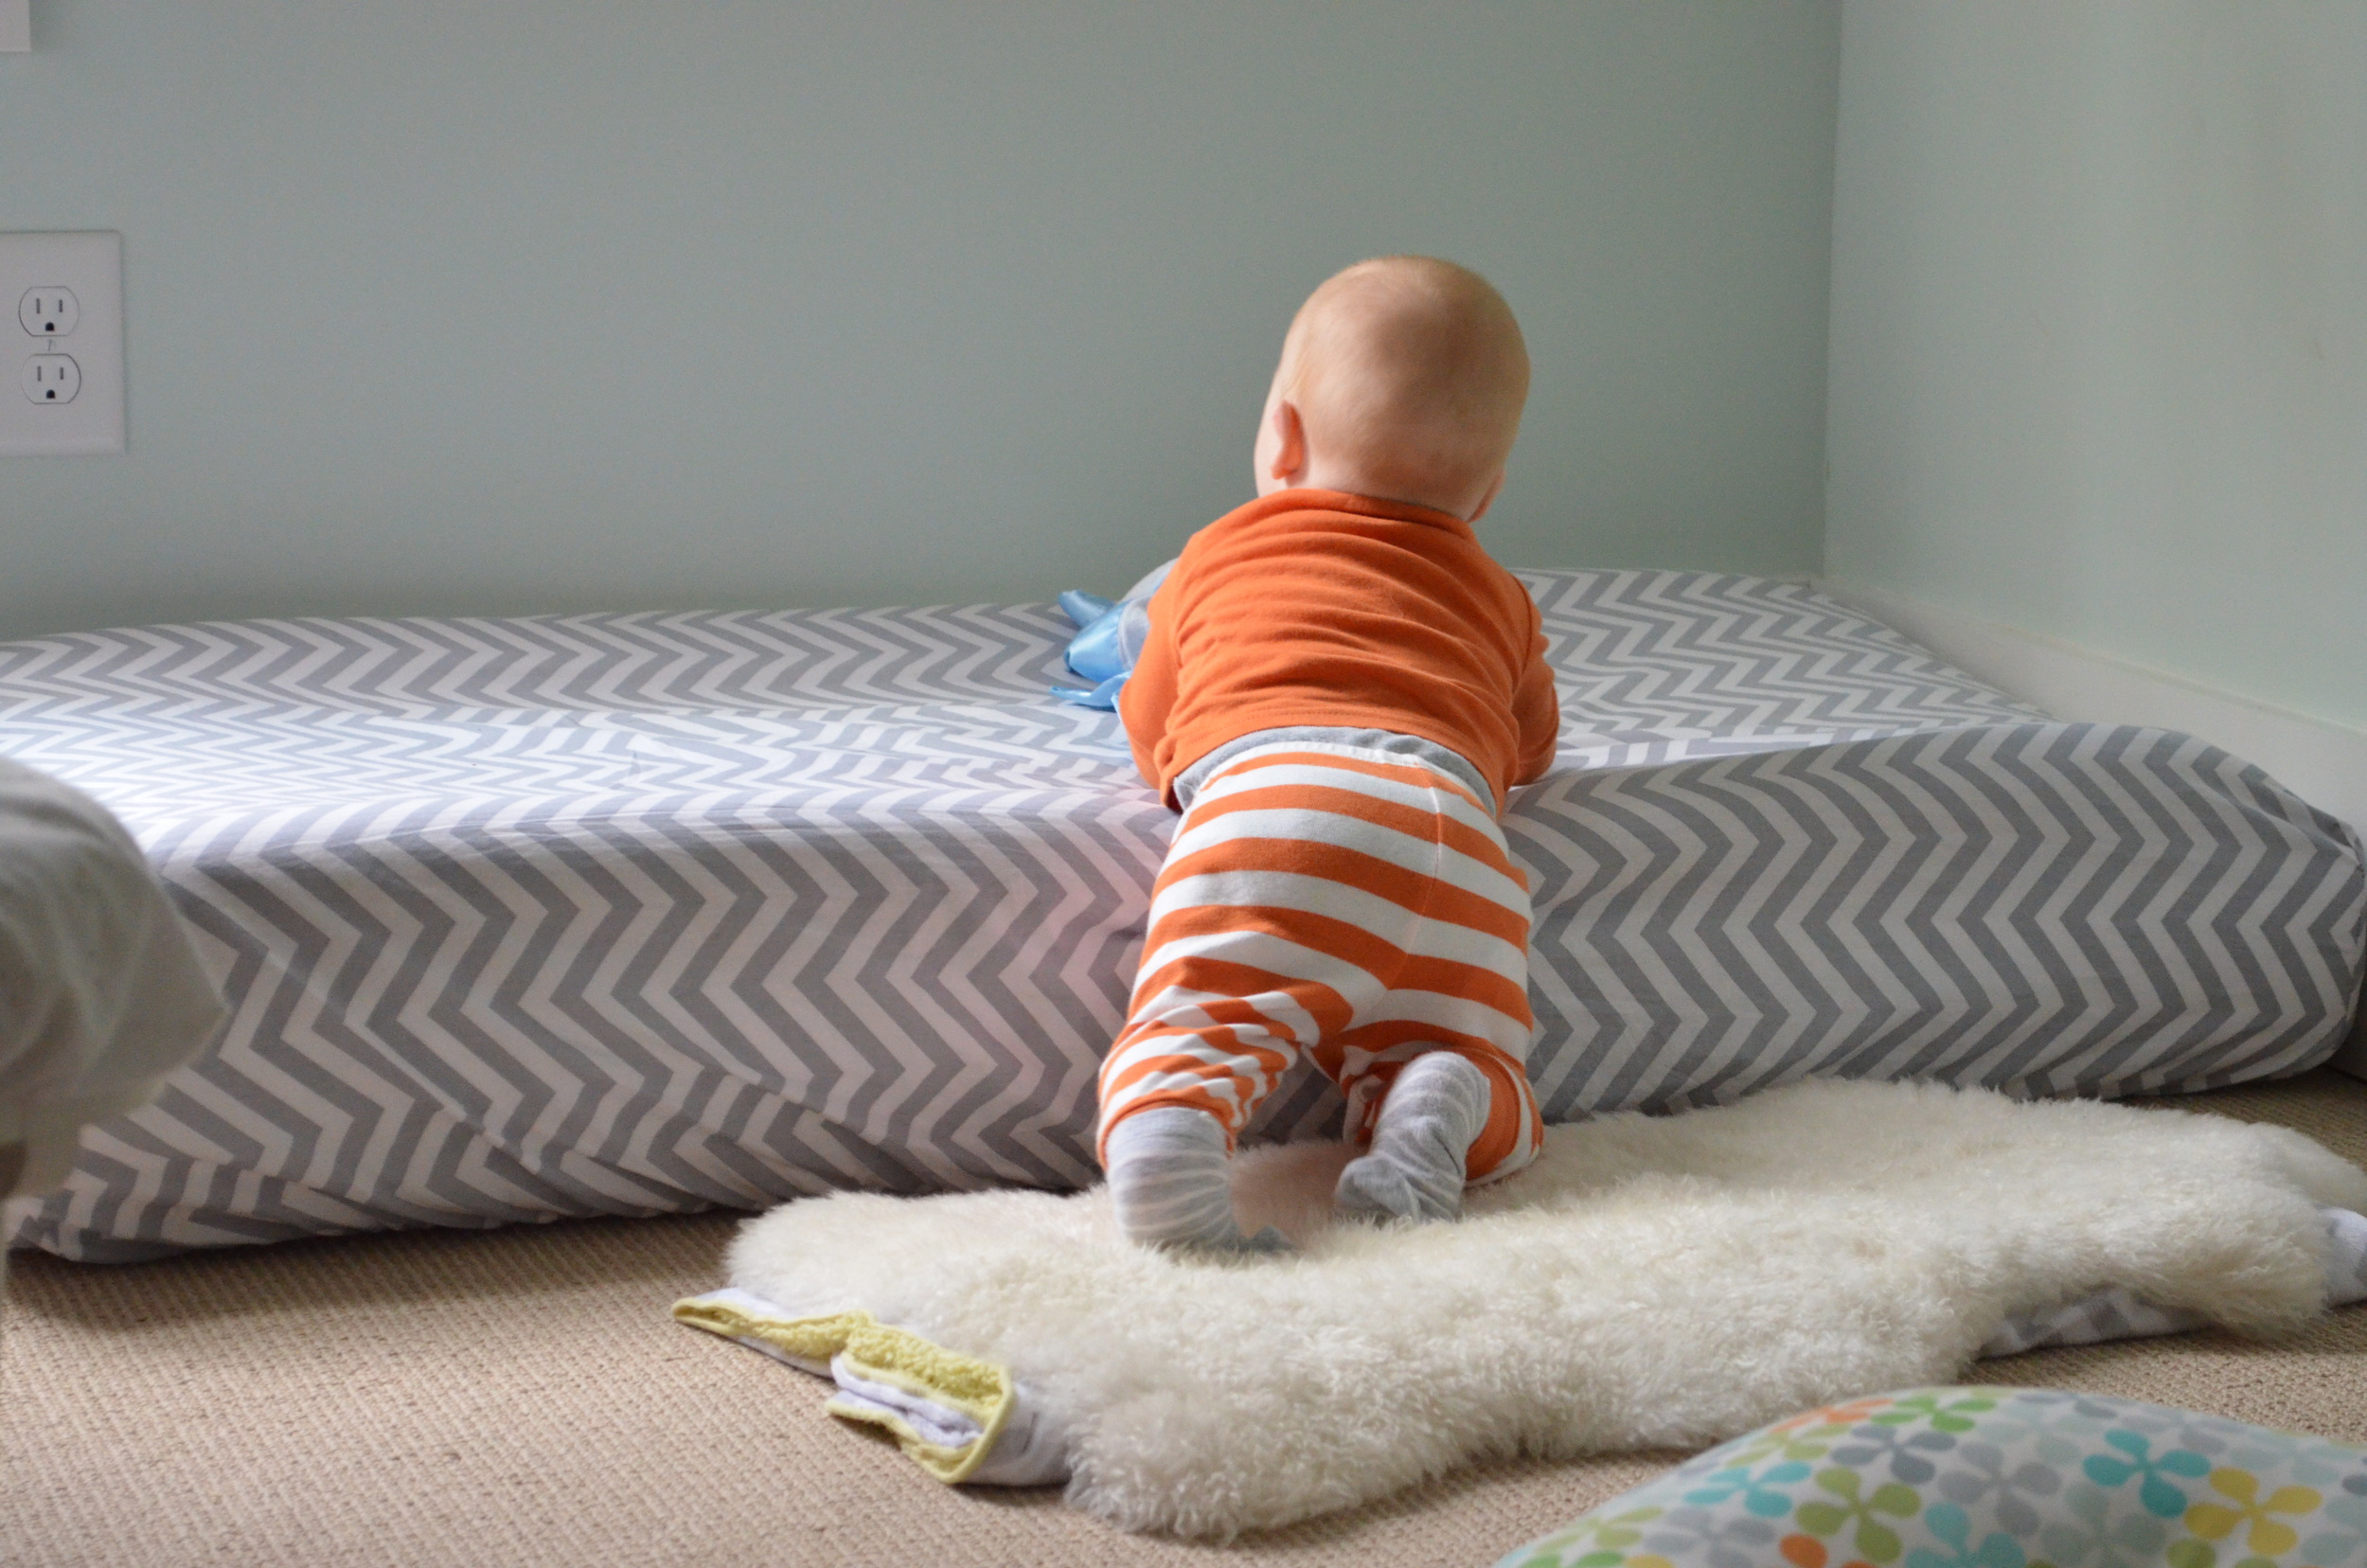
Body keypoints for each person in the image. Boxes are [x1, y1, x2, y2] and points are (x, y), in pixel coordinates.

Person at [1100, 256, 1558, 1250]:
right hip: (1454, 836)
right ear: (1486, 491)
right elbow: (1532, 749)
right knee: (1475, 1058)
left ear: (1284, 437)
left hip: (1277, 809)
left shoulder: (1214, 553)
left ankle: (1171, 1155)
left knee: (1204, 1027)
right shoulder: (1503, 597)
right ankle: (1443, 1095)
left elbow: (1151, 724)